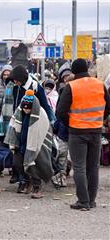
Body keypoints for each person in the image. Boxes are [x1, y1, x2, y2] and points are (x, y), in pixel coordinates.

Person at [56, 58, 110, 211]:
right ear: (87, 69)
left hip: (77, 131)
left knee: (79, 167)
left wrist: (71, 122)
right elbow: (108, 106)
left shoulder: (71, 86)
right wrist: (100, 119)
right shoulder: (99, 84)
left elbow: (60, 112)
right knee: (93, 167)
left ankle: (83, 201)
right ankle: (91, 201)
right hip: (96, 131)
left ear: (73, 71)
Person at [5, 90, 53, 199]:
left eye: (28, 108)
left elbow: (43, 132)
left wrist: (32, 147)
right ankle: (27, 180)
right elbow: (14, 126)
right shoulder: (19, 114)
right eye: (24, 107)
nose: (26, 109)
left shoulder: (41, 115)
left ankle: (37, 186)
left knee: (33, 166)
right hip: (21, 144)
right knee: (17, 163)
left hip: (34, 145)